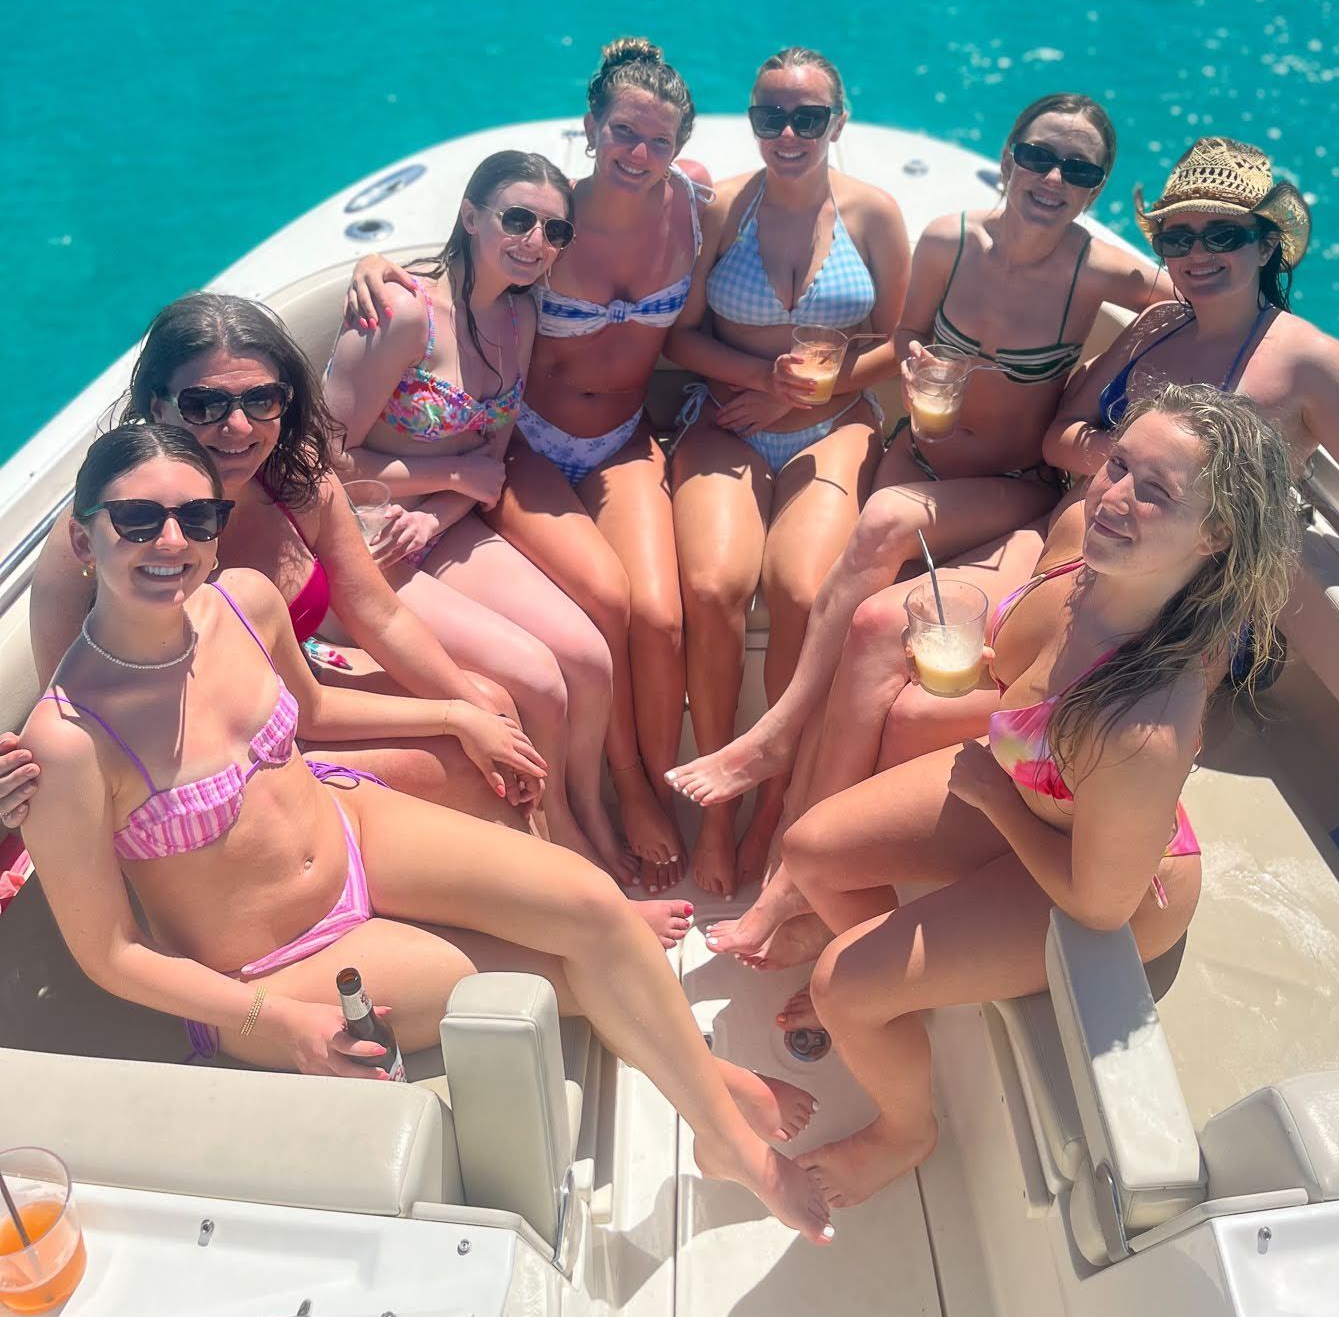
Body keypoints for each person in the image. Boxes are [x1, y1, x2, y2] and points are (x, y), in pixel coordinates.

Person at [18, 426, 832, 1245]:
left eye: (197, 518)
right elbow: (112, 954)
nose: (172, 541)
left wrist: (454, 713)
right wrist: (276, 1018)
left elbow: (316, 710)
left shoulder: (243, 601)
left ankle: (713, 1109)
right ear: (85, 540)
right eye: (138, 520)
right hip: (274, 965)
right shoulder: (68, 741)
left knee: (595, 906)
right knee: (556, 976)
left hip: (350, 828)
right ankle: (728, 1131)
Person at [775, 386, 1299, 1210]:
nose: (1114, 497)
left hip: (1106, 880)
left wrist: (996, 800)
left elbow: (1098, 905)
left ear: (1216, 535)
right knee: (810, 849)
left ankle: (905, 1129)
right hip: (1031, 790)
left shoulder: (1144, 723)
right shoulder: (1080, 565)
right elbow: (1009, 680)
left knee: (842, 981)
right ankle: (898, 996)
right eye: (1118, 465)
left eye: (1155, 492)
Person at [669, 91, 1162, 949]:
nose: (1052, 178)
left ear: (1097, 187)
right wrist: (912, 366)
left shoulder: (1104, 274)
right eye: (1038, 156)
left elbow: (1195, 298)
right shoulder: (948, 240)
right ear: (1007, 158)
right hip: (921, 459)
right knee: (841, 605)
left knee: (878, 527)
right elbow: (902, 339)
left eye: (1077, 168)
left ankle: (777, 753)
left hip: (1009, 484)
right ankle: (788, 833)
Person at [343, 40, 707, 896]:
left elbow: (764, 192)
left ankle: (624, 798)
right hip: (452, 489)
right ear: (591, 126)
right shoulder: (459, 286)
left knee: (629, 630)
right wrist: (372, 263)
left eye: (658, 140)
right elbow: (325, 454)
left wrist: (449, 498)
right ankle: (591, 814)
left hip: (551, 470)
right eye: (622, 132)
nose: (638, 152)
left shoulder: (670, 222)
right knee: (579, 636)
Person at [1043, 137, 1339, 713]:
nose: (1198, 254)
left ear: (1266, 244)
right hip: (1091, 549)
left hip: (1190, 613)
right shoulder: (1156, 324)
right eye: (1178, 238)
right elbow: (1059, 436)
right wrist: (1139, 468)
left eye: (1222, 235)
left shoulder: (1312, 365)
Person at [24, 294, 548, 833]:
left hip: (298, 696)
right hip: (199, 756)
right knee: (465, 763)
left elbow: (380, 616)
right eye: (204, 405)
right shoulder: (106, 526)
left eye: (262, 400)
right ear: (158, 408)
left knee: (493, 707)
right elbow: (66, 706)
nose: (239, 426)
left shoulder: (295, 480)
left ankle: (568, 862)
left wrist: (472, 710)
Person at [666, 47, 912, 898]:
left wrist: (809, 396)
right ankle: (719, 814)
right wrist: (761, 385)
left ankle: (773, 803)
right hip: (728, 418)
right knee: (711, 588)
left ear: (838, 122)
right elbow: (680, 336)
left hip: (833, 424)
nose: (789, 133)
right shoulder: (722, 210)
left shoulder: (874, 215)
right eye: (771, 115)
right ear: (753, 120)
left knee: (804, 591)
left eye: (809, 117)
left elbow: (900, 342)